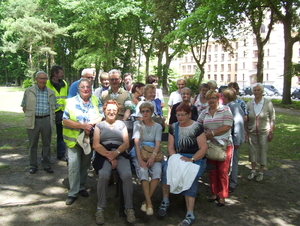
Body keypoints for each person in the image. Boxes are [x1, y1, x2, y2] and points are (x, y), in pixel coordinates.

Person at [158, 103, 207, 226]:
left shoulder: (197, 127)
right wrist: (176, 159)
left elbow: (203, 148)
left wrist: (191, 160)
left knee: (190, 175)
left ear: (189, 114)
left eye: (183, 115)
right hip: (178, 157)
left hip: (196, 158)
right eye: (178, 115)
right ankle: (165, 201)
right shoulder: (174, 127)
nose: (180, 118)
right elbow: (170, 147)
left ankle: (190, 214)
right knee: (166, 170)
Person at [93, 100, 136, 224]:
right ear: (105, 110)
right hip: (104, 154)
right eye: (109, 109)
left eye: (114, 110)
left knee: (127, 175)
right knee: (104, 175)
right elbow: (96, 145)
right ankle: (100, 208)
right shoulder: (99, 126)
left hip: (120, 152)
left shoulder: (121, 124)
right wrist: (110, 156)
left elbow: (126, 143)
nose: (111, 112)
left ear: (117, 112)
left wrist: (116, 153)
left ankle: (129, 208)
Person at [62, 78, 103, 205]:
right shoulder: (70, 102)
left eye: (88, 87)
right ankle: (73, 192)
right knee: (74, 166)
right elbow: (65, 120)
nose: (85, 89)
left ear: (91, 88)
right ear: (78, 89)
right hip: (74, 140)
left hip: (89, 140)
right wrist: (82, 126)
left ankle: (81, 187)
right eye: (83, 87)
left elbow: (101, 116)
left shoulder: (96, 100)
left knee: (85, 165)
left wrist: (90, 124)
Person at [197, 90, 233, 207]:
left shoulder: (225, 110)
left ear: (218, 98)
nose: (211, 100)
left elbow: (227, 126)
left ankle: (222, 196)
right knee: (212, 171)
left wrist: (212, 133)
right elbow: (198, 126)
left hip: (224, 145)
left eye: (213, 97)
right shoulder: (204, 112)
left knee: (222, 171)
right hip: (210, 145)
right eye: (209, 98)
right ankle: (214, 193)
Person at [21, 71, 56, 174]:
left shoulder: (51, 92)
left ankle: (47, 164)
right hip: (33, 120)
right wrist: (31, 116)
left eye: (44, 78)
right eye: (40, 78)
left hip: (46, 120)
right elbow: (24, 106)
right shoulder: (28, 91)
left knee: (47, 144)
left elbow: (54, 107)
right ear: (36, 79)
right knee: (33, 144)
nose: (43, 80)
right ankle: (33, 165)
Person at [131, 101, 162, 216]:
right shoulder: (137, 125)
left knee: (157, 172)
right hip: (139, 152)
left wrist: (153, 157)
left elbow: (158, 144)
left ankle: (146, 201)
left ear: (151, 112)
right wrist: (139, 159)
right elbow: (136, 142)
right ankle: (149, 203)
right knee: (143, 171)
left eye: (147, 111)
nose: (144, 113)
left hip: (154, 153)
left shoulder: (157, 126)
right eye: (142, 111)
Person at [245, 83, 275, 182]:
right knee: (252, 151)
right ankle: (253, 170)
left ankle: (261, 171)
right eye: (255, 90)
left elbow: (272, 119)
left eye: (258, 90)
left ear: (262, 91)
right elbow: (246, 118)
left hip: (264, 132)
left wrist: (271, 132)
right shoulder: (249, 104)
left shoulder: (268, 103)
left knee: (263, 151)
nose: (256, 92)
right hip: (251, 131)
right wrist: (246, 131)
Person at [222, 89, 245, 193]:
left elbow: (238, 124)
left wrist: (237, 141)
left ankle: (233, 183)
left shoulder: (234, 106)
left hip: (234, 140)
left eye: (223, 96)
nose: (222, 98)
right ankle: (226, 181)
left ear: (227, 97)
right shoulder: (226, 106)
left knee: (233, 162)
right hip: (227, 140)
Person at [46, 65, 68, 162]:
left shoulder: (64, 83)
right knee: (47, 135)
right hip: (50, 112)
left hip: (62, 112)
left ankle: (61, 154)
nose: (62, 74)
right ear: (55, 74)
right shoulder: (47, 84)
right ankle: (45, 156)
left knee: (61, 135)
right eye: (60, 72)